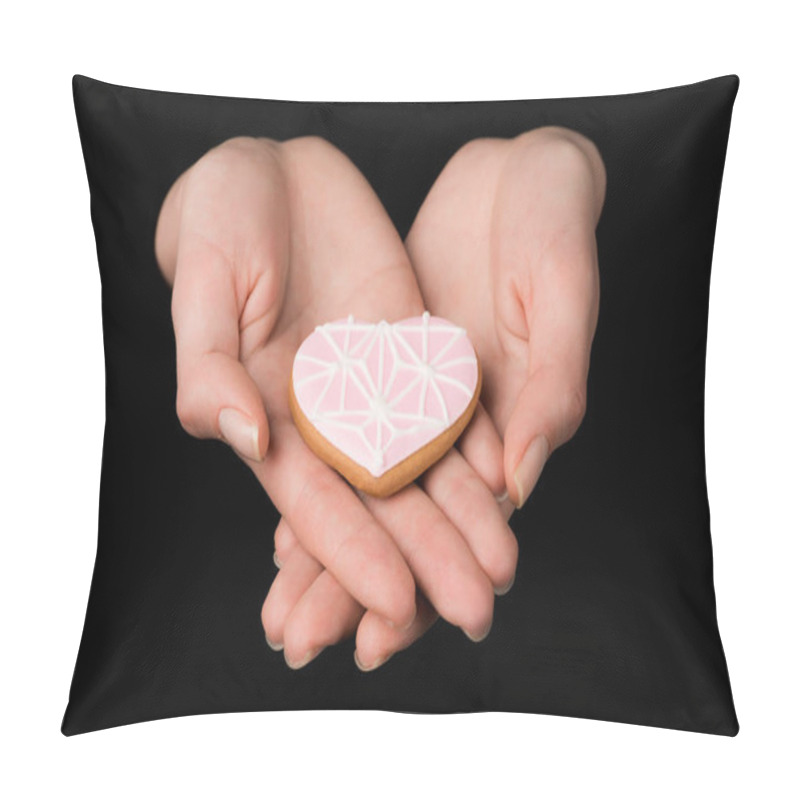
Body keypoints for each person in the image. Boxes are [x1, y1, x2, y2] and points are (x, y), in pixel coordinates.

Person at [154, 126, 606, 671]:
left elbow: (642, 155)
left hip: (587, 582)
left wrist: (568, 156)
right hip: (185, 581)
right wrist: (210, 187)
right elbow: (149, 204)